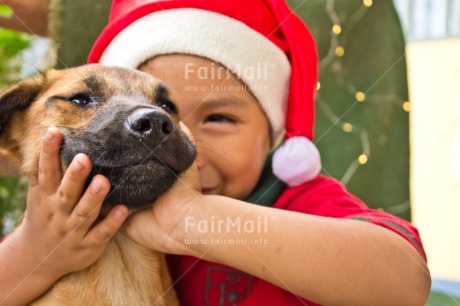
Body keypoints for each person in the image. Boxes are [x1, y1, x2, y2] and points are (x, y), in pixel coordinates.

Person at [0, 0, 431, 305]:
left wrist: (192, 220)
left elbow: (405, 284)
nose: (167, 131)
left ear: (273, 140)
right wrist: (36, 250)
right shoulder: (50, 237)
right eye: (81, 100)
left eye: (219, 118)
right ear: (16, 132)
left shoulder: (294, 201)